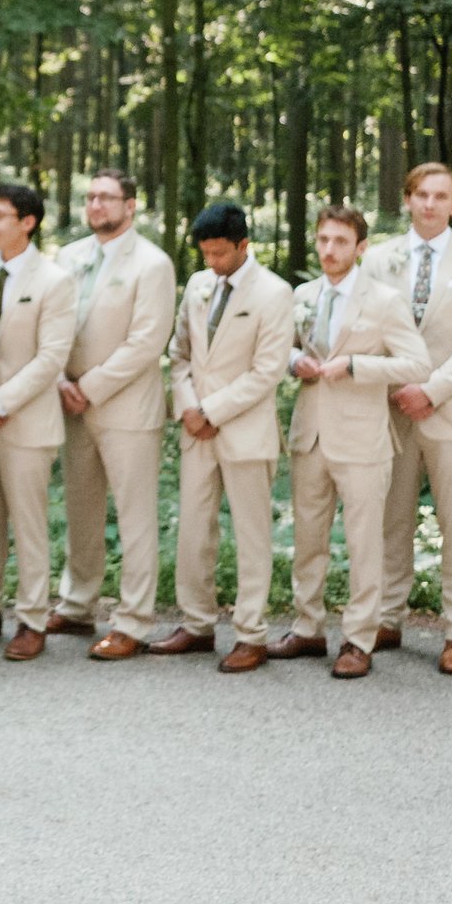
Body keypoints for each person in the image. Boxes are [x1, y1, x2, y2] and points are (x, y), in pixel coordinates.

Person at [361, 162, 452, 673]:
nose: (430, 204)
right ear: (407, 199)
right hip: (389, 408)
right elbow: (366, 327)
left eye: (440, 196)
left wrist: (433, 389)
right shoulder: (377, 260)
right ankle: (384, 615)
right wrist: (400, 385)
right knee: (387, 520)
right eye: (421, 194)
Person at [279, 205, 430, 677]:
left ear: (361, 247)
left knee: (365, 542)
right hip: (310, 434)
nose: (329, 250)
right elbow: (276, 346)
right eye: (323, 240)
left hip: (363, 439)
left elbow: (416, 365)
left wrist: (358, 366)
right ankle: (307, 627)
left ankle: (359, 638)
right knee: (308, 538)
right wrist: (291, 361)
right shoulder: (301, 294)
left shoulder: (383, 300)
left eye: (340, 241)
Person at [48, 169, 178, 659]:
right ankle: (78, 602)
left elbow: (148, 340)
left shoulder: (153, 263)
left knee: (134, 516)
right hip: (70, 401)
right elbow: (54, 323)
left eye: (107, 197)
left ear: (131, 205)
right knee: (80, 509)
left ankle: (134, 619)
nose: (97, 204)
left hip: (126, 407)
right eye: (91, 197)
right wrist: (60, 378)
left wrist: (91, 385)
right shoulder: (69, 256)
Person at [160, 202, 294, 672]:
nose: (212, 264)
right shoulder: (198, 286)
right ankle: (196, 623)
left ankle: (251, 633)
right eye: (205, 255)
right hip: (197, 429)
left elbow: (267, 371)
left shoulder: (275, 294)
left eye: (220, 254)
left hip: (246, 430)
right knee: (194, 531)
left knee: (251, 535)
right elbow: (178, 353)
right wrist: (190, 407)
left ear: (243, 245)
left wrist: (213, 410)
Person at [0, 181, 77, 661]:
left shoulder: (55, 280)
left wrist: (1, 403)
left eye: (1, 215)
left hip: (26, 420)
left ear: (27, 222)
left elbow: (52, 357)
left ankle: (32, 618)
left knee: (28, 523)